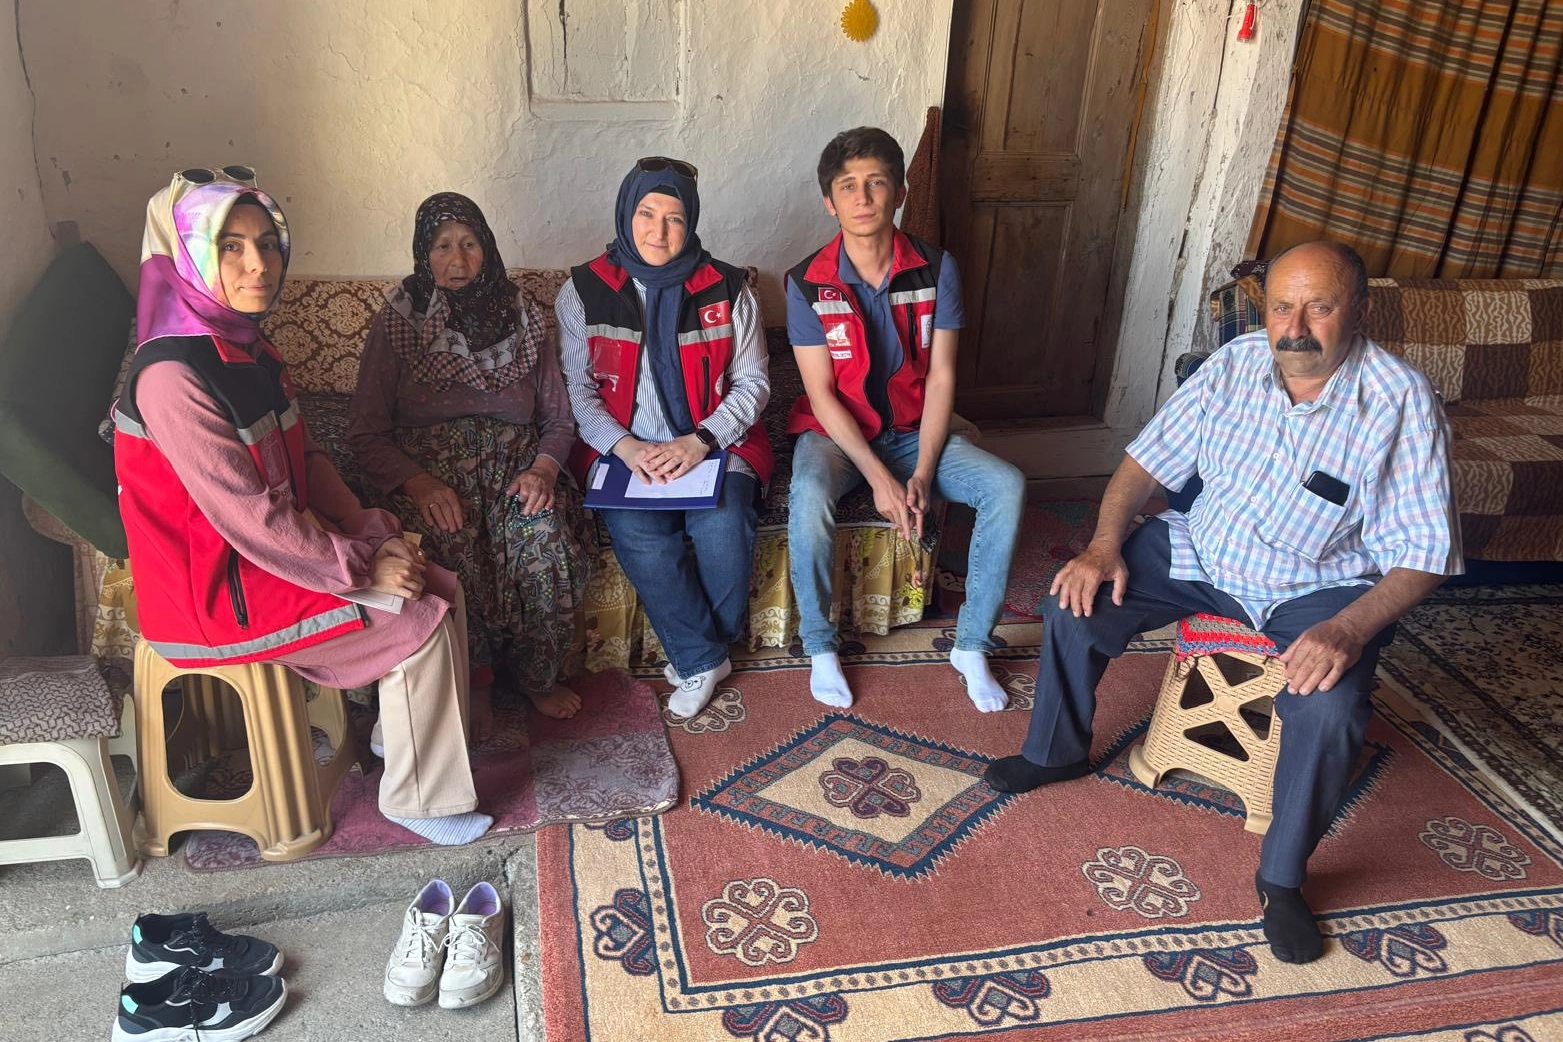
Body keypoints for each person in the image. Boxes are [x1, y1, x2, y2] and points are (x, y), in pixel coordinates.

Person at [984, 240, 1462, 964]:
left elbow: (1425, 552)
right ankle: (1055, 753)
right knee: (1075, 601)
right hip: (1201, 553)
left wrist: (1348, 627)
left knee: (1330, 708)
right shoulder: (1235, 364)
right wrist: (1104, 545)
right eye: (1281, 307)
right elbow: (1145, 463)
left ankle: (1282, 878)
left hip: (1317, 589)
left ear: (1358, 312)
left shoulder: (1399, 400)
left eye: (1319, 307)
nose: (1294, 327)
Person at [113, 168, 491, 847]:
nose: (258, 264)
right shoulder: (172, 377)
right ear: (185, 256)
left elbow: (307, 461)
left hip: (265, 563)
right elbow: (250, 519)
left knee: (440, 584)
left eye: (268, 243)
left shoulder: (248, 348)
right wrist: (360, 569)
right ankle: (419, 799)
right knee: (416, 617)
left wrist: (373, 533)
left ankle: (402, 735)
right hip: (215, 593)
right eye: (230, 247)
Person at [785, 127, 1025, 711]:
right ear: (829, 201)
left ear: (899, 192)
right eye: (848, 186)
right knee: (809, 492)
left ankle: (972, 644)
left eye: (876, 183)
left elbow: (941, 377)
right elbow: (821, 395)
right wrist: (878, 477)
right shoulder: (806, 282)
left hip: (915, 431)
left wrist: (920, 471)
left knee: (1006, 485)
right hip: (838, 436)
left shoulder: (937, 269)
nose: (863, 197)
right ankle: (820, 644)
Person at [349, 192, 592, 731]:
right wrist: (417, 483)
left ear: (488, 250)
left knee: (545, 535)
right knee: (445, 543)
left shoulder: (524, 317)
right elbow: (365, 432)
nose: (457, 260)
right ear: (423, 253)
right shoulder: (398, 320)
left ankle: (537, 677)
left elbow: (559, 420)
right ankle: (473, 679)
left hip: (515, 475)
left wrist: (543, 470)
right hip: (433, 481)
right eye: (442, 246)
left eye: (469, 244)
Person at [557, 157, 773, 719]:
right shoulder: (583, 291)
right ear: (625, 215)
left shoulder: (729, 287)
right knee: (642, 534)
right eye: (647, 214)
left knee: (723, 526)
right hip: (624, 449)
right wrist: (627, 448)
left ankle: (701, 651)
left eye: (674, 218)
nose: (659, 231)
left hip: (713, 446)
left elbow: (753, 384)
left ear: (691, 222)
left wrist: (699, 441)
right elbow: (578, 392)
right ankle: (705, 657)